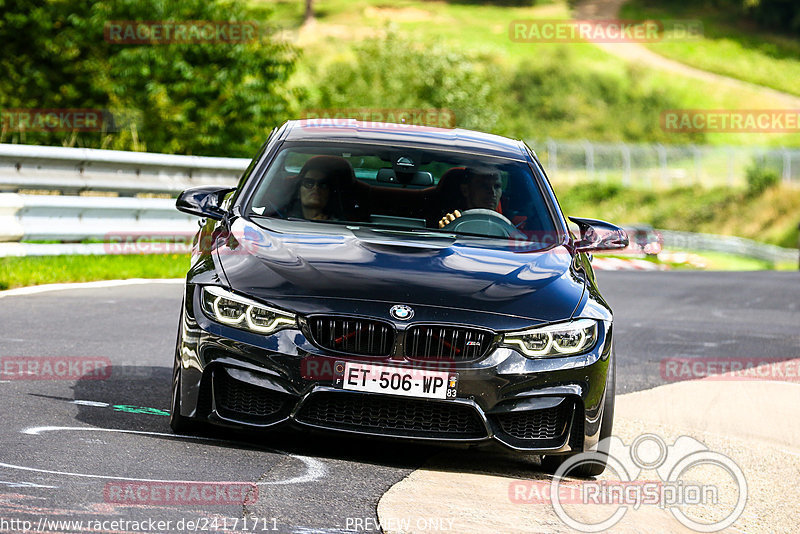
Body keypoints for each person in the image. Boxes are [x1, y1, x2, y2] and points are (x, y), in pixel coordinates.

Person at [438, 167, 503, 228]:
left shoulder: (508, 225)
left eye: (497, 186)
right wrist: (446, 230)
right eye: (484, 186)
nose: (492, 192)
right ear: (465, 190)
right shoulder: (452, 221)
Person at [288, 156, 348, 221]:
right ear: (298, 192)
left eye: (323, 185)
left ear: (329, 194)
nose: (315, 187)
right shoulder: (282, 222)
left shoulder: (341, 225)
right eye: (309, 183)